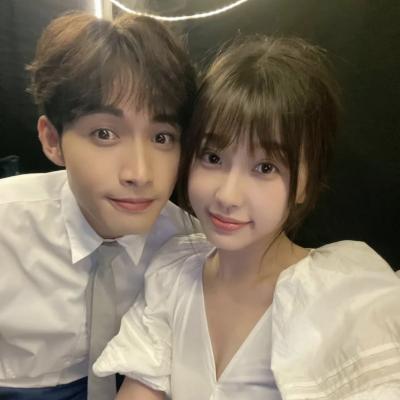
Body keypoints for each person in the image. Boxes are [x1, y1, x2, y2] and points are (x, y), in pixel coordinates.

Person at [93, 35, 400, 399]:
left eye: (265, 167)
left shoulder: (345, 296)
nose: (227, 195)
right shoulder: (173, 273)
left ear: (306, 182)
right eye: (212, 157)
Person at [0, 10, 199, 400]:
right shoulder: (6, 226)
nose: (139, 173)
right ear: (52, 140)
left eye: (162, 137)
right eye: (105, 133)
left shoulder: (188, 243)